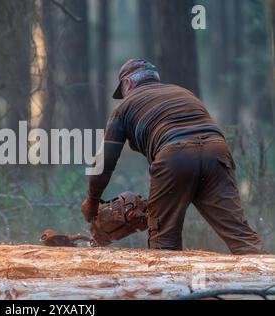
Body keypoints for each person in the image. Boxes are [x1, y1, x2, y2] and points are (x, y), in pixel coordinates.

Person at [81, 58, 265, 255]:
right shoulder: (183, 93)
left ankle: (167, 285)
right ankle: (267, 280)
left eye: (123, 90)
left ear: (128, 84)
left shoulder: (124, 107)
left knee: (164, 244)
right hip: (216, 152)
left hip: (175, 155)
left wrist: (92, 200)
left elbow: (105, 160)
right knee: (240, 235)